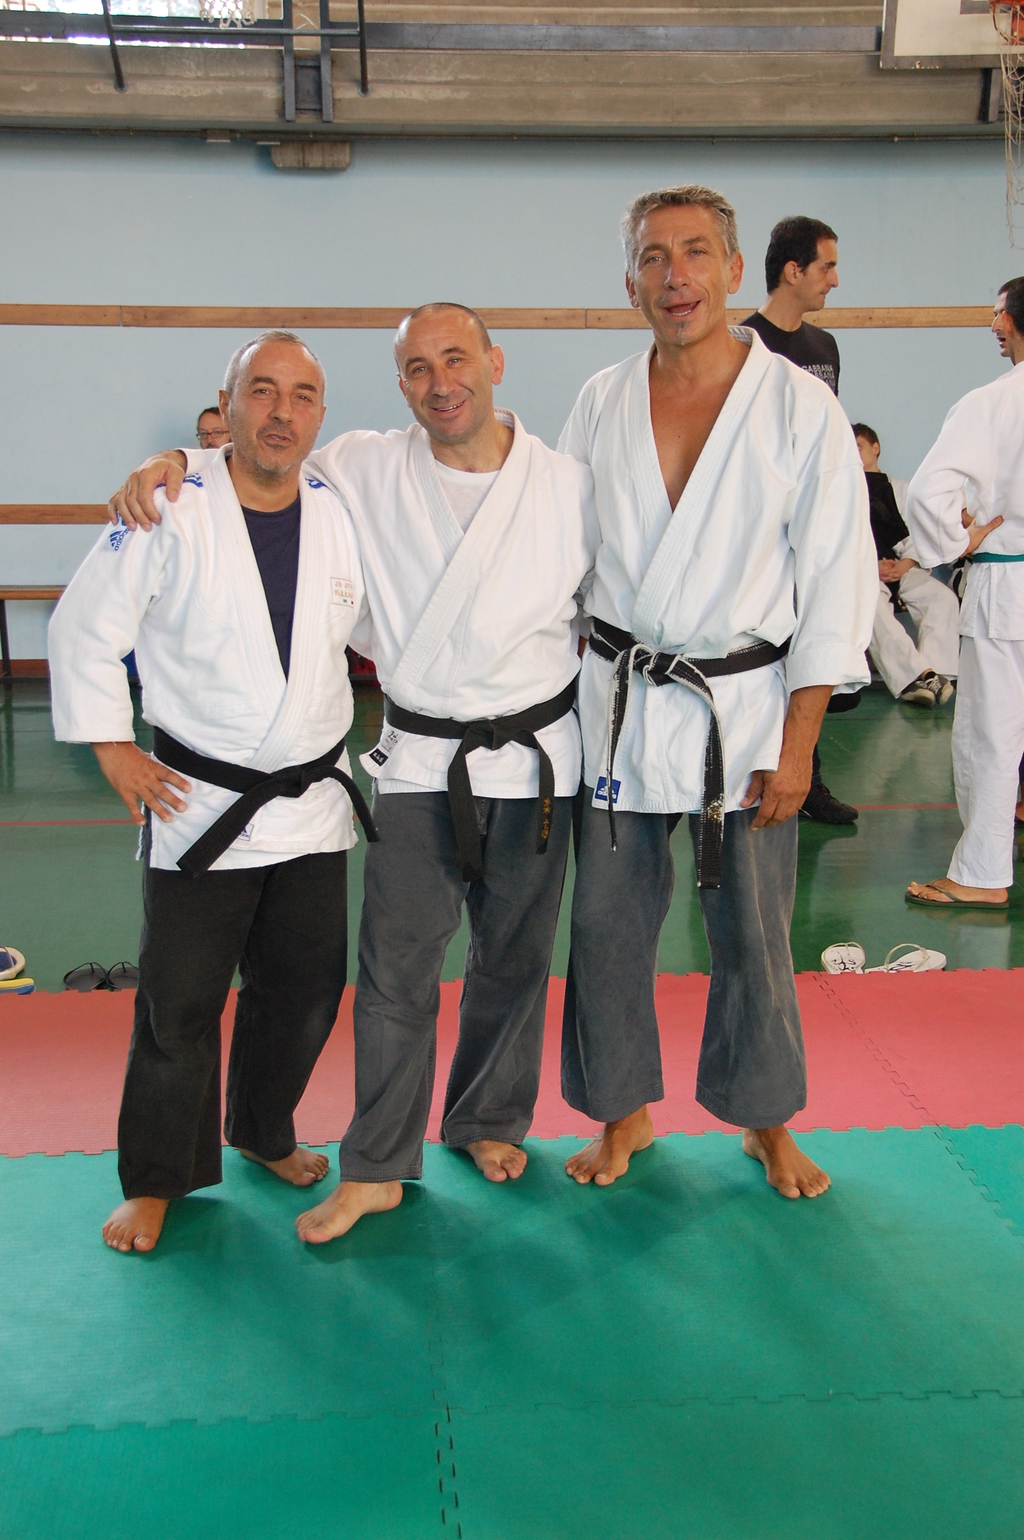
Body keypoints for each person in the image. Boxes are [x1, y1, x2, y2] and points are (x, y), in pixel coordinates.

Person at [109, 304, 599, 1242]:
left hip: (538, 760)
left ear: (496, 362)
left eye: (456, 359)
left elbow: (601, 608)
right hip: (418, 761)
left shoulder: (568, 483)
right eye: (416, 368)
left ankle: (488, 1119)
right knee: (393, 972)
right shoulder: (360, 465)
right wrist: (171, 461)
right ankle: (376, 1163)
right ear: (398, 382)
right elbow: (253, 458)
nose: (440, 383)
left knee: (515, 958)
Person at [557, 185, 876, 1198]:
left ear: (735, 271)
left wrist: (800, 742)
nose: (675, 276)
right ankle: (622, 1113)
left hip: (742, 712)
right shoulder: (601, 400)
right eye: (653, 257)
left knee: (754, 932)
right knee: (606, 928)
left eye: (695, 252)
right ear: (629, 283)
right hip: (617, 704)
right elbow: (559, 555)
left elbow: (836, 579)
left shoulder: (799, 406)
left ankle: (766, 1120)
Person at [50, 331, 374, 1254]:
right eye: (261, 391)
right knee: (178, 1008)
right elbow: (82, 629)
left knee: (305, 993)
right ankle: (158, 1179)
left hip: (309, 804)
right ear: (226, 404)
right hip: (198, 803)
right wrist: (112, 747)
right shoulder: (169, 504)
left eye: (301, 396)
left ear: (321, 414)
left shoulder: (339, 503)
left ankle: (263, 1130)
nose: (281, 412)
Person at [904, 278, 1023, 912]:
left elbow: (927, 493)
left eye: (997, 314)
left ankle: (982, 872)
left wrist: (955, 540)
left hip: (1009, 587)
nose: (992, 326)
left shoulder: (994, 402)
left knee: (991, 733)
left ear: (1013, 319)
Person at [742, 216, 859, 825]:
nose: (834, 280)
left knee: (815, 656)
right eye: (827, 266)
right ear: (794, 270)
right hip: (761, 534)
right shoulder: (743, 345)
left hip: (811, 527)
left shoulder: (825, 348)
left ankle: (807, 774)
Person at [852, 423, 958, 706]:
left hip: (903, 565)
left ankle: (937, 676)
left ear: (875, 447)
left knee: (942, 599)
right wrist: (870, 565)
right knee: (871, 606)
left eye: (859, 446)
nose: (855, 452)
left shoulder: (902, 489)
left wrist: (906, 564)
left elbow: (919, 532)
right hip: (865, 570)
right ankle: (914, 677)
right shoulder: (844, 489)